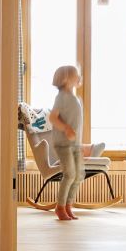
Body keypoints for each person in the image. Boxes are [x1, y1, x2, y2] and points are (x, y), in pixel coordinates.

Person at [48, 65, 84, 222]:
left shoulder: (74, 97)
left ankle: (68, 205)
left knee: (78, 175)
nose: (79, 77)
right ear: (66, 79)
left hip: (75, 144)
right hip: (63, 143)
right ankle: (60, 207)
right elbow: (53, 117)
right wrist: (66, 128)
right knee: (69, 174)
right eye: (76, 75)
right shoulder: (61, 97)